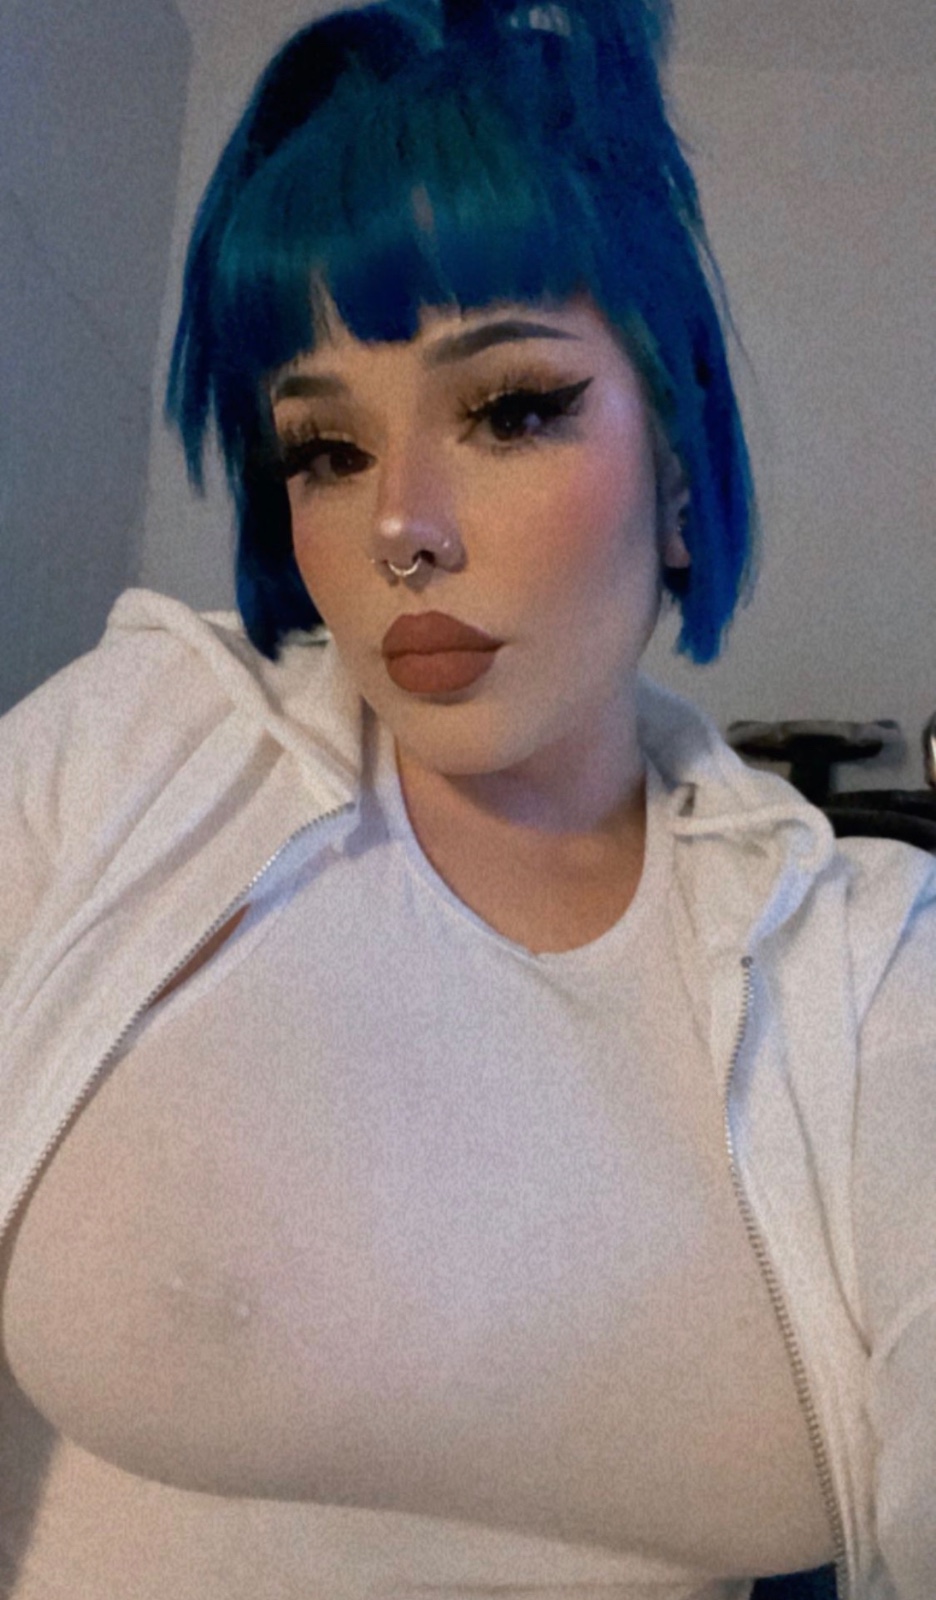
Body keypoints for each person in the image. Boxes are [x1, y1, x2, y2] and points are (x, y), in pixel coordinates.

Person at [0, 2, 933, 1597]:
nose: (402, 528)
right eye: (324, 447)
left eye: (510, 409)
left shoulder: (866, 965)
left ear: (681, 474)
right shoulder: (136, 751)